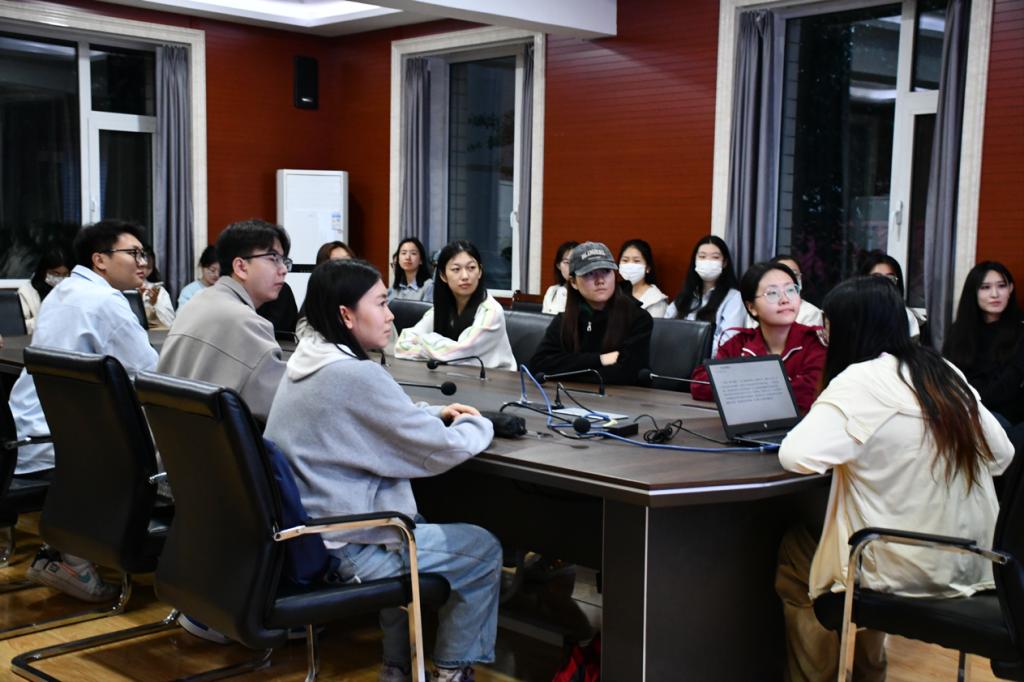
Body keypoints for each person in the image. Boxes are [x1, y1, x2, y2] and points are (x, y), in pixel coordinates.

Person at [264, 258, 500, 682]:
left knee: (409, 522)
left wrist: (432, 412)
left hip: (310, 539)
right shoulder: (354, 374)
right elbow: (439, 450)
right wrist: (480, 423)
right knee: (483, 550)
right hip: (347, 548)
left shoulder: (309, 360)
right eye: (381, 303)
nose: (391, 315)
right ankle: (451, 672)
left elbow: (380, 417)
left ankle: (397, 666)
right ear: (346, 315)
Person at [775, 275, 1014, 682]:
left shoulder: (859, 380)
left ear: (849, 330)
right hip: (973, 561)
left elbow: (795, 456)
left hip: (901, 564)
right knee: (863, 536)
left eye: (827, 327)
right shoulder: (943, 372)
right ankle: (871, 673)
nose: (823, 335)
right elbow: (1002, 455)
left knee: (798, 552)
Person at [9, 219, 158, 602]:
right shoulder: (105, 301)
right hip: (53, 441)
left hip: (23, 432)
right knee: (161, 448)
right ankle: (80, 558)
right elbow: (150, 373)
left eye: (144, 254)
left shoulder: (64, 291)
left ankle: (65, 551)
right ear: (100, 259)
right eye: (133, 253)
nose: (142, 262)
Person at [158, 219, 289, 423]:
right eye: (274, 258)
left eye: (284, 261)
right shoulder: (245, 322)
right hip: (208, 440)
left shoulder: (198, 301)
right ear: (241, 267)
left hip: (172, 435)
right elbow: (282, 407)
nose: (283, 270)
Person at [691, 261, 826, 413]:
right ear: (751, 307)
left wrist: (737, 386)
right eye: (772, 293)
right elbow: (700, 385)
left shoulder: (814, 342)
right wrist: (766, 387)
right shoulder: (740, 343)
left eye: (791, 290)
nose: (785, 299)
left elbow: (807, 395)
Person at [528, 241, 653, 385]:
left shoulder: (638, 318)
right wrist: (600, 359)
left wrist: (566, 368)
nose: (600, 281)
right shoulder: (564, 320)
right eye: (589, 274)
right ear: (573, 282)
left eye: (606, 271)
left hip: (623, 397)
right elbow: (538, 365)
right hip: (570, 394)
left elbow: (626, 373)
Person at [395, 240, 516, 371]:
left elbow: (458, 353)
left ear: (480, 272)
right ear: (443, 275)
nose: (465, 276)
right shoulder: (442, 308)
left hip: (496, 380)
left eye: (471, 268)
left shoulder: (491, 312)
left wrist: (423, 339)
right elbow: (402, 345)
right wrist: (438, 352)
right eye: (456, 269)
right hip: (455, 376)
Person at [945, 261, 1024, 427]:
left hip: (1002, 415)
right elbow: (948, 376)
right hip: (961, 410)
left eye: (1001, 286)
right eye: (985, 287)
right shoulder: (958, 331)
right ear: (973, 292)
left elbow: (1008, 386)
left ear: (1010, 289)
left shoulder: (1020, 332)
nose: (995, 294)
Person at [666, 235, 746, 353]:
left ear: (724, 262)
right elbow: (665, 329)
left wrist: (689, 352)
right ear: (695, 261)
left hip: (707, 362)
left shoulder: (734, 298)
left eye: (715, 257)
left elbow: (727, 342)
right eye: (702, 257)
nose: (708, 262)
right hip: (674, 359)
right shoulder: (685, 296)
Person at [296, 240, 358, 340]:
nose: (345, 266)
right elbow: (304, 336)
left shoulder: (363, 293)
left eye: (347, 260)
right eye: (337, 262)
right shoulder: (316, 299)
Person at [743, 254, 823, 328]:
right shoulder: (759, 307)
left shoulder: (811, 313)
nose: (789, 277)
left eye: (794, 274)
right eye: (781, 274)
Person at [859, 250, 923, 339]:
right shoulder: (854, 312)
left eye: (890, 279)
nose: (883, 284)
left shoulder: (906, 316)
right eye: (876, 278)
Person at [17, 245, 73, 335]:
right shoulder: (26, 292)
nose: (60, 278)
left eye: (65, 274)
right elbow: (21, 326)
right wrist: (47, 320)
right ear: (44, 271)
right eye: (56, 273)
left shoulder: (72, 291)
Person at [618, 238, 669, 318]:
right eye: (625, 260)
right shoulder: (612, 292)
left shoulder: (656, 301)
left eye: (636, 261)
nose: (630, 265)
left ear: (647, 267)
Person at [137, 246, 175, 330]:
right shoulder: (120, 287)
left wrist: (155, 303)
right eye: (140, 266)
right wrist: (138, 301)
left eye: (148, 267)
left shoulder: (158, 291)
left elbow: (170, 323)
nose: (143, 270)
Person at [389, 237, 434, 302]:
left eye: (413, 253)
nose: (407, 257)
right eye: (404, 253)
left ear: (421, 260)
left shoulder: (429, 286)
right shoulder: (395, 288)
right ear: (398, 260)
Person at [541, 241, 579, 315]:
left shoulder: (588, 293)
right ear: (558, 265)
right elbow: (545, 319)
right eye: (567, 262)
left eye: (576, 262)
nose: (572, 267)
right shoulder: (552, 291)